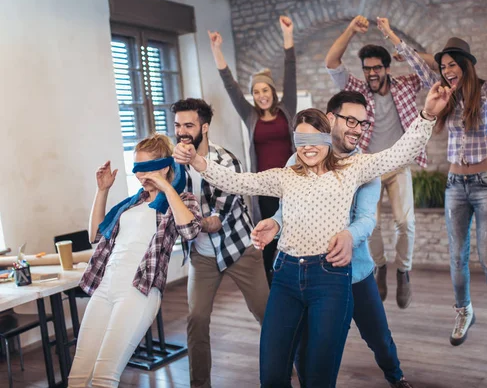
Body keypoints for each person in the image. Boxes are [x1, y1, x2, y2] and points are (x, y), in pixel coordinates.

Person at [174, 82, 452, 387]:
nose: (308, 146)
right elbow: (240, 182)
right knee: (276, 370)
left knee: (347, 355)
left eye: (362, 123)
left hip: (339, 273)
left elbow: (397, 158)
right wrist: (199, 162)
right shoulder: (287, 173)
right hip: (288, 273)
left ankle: (395, 375)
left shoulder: (355, 168)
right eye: (301, 139)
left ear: (325, 135)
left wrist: (426, 115)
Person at [377, 0, 487, 357]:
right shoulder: (444, 95)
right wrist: (392, 36)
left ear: (466, 67)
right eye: (443, 67)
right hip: (455, 187)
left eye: (452, 65)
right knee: (456, 257)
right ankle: (463, 312)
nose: (446, 71)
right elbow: (414, 62)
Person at [252, 90, 413, 388]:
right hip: (306, 273)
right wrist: (275, 223)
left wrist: (349, 235)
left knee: (378, 337)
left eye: (362, 123)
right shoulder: (297, 158)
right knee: (303, 343)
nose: (356, 129)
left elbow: (366, 218)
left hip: (356, 271)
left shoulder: (366, 166)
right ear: (330, 119)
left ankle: (396, 376)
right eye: (350, 120)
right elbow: (287, 211)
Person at [69, 134, 202, 387]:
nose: (140, 175)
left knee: (103, 378)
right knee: (78, 376)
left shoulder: (181, 201)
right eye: (136, 168)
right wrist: (102, 190)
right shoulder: (132, 203)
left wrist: (167, 188)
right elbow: (95, 235)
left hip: (137, 290)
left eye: (146, 168)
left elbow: (190, 231)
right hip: (105, 286)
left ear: (164, 167)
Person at [325, 15, 435, 308]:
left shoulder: (405, 84)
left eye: (377, 67)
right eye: (367, 68)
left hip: (398, 165)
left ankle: (404, 271)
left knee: (405, 222)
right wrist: (350, 29)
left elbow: (435, 66)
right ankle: (380, 267)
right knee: (369, 225)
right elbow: (332, 61)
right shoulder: (358, 91)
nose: (371, 73)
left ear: (387, 68)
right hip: (367, 168)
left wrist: (402, 49)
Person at [171, 98, 270, 388]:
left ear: (204, 127)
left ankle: (291, 366)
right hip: (201, 255)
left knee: (266, 314)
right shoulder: (173, 167)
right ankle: (199, 385)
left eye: (188, 125)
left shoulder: (227, 162)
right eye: (178, 125)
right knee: (197, 319)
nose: (182, 132)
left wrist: (184, 220)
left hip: (239, 248)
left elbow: (215, 222)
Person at [209, 15, 297, 285]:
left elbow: (290, 69)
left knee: (294, 236)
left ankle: (298, 285)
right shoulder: (250, 115)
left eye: (265, 89)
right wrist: (216, 50)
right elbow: (230, 86)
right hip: (263, 187)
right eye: (256, 91)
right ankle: (276, 291)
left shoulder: (288, 109)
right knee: (269, 241)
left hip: (291, 183)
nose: (261, 95)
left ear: (272, 90)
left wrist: (288, 34)